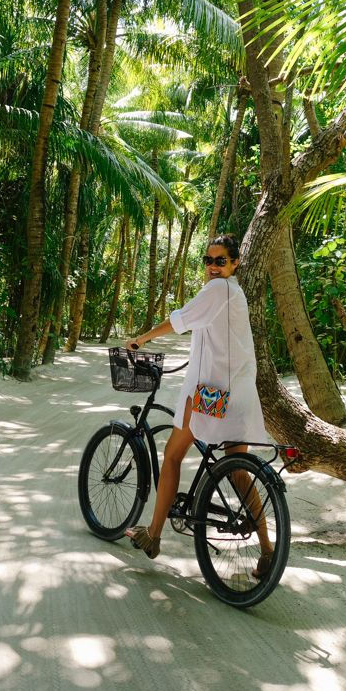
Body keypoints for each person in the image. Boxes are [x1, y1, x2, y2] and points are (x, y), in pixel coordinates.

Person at [123, 234, 273, 578]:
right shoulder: (233, 293)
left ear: (235, 264)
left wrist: (142, 339)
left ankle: (153, 535)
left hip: (211, 396)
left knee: (174, 455)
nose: (213, 267)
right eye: (208, 261)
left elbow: (181, 320)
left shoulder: (218, 290)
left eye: (220, 261)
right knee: (237, 469)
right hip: (238, 394)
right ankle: (267, 549)